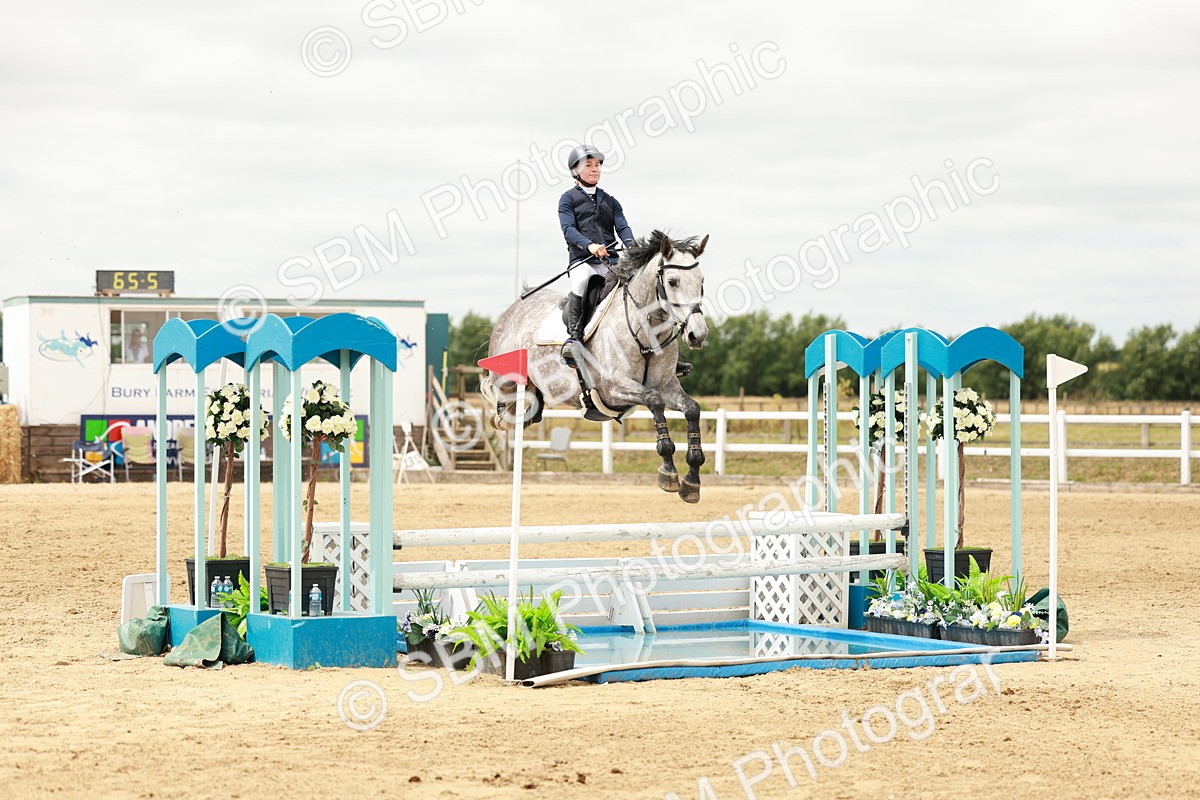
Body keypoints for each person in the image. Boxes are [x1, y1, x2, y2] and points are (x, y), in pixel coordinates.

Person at [557, 145, 635, 368]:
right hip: (583, 261)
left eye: (597, 165)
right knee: (582, 280)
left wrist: (631, 244)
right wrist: (589, 245)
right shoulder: (567, 199)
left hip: (611, 261)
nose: (595, 169)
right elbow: (568, 229)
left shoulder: (610, 200)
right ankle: (574, 338)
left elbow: (622, 226)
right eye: (588, 165)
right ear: (576, 171)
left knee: (639, 286)